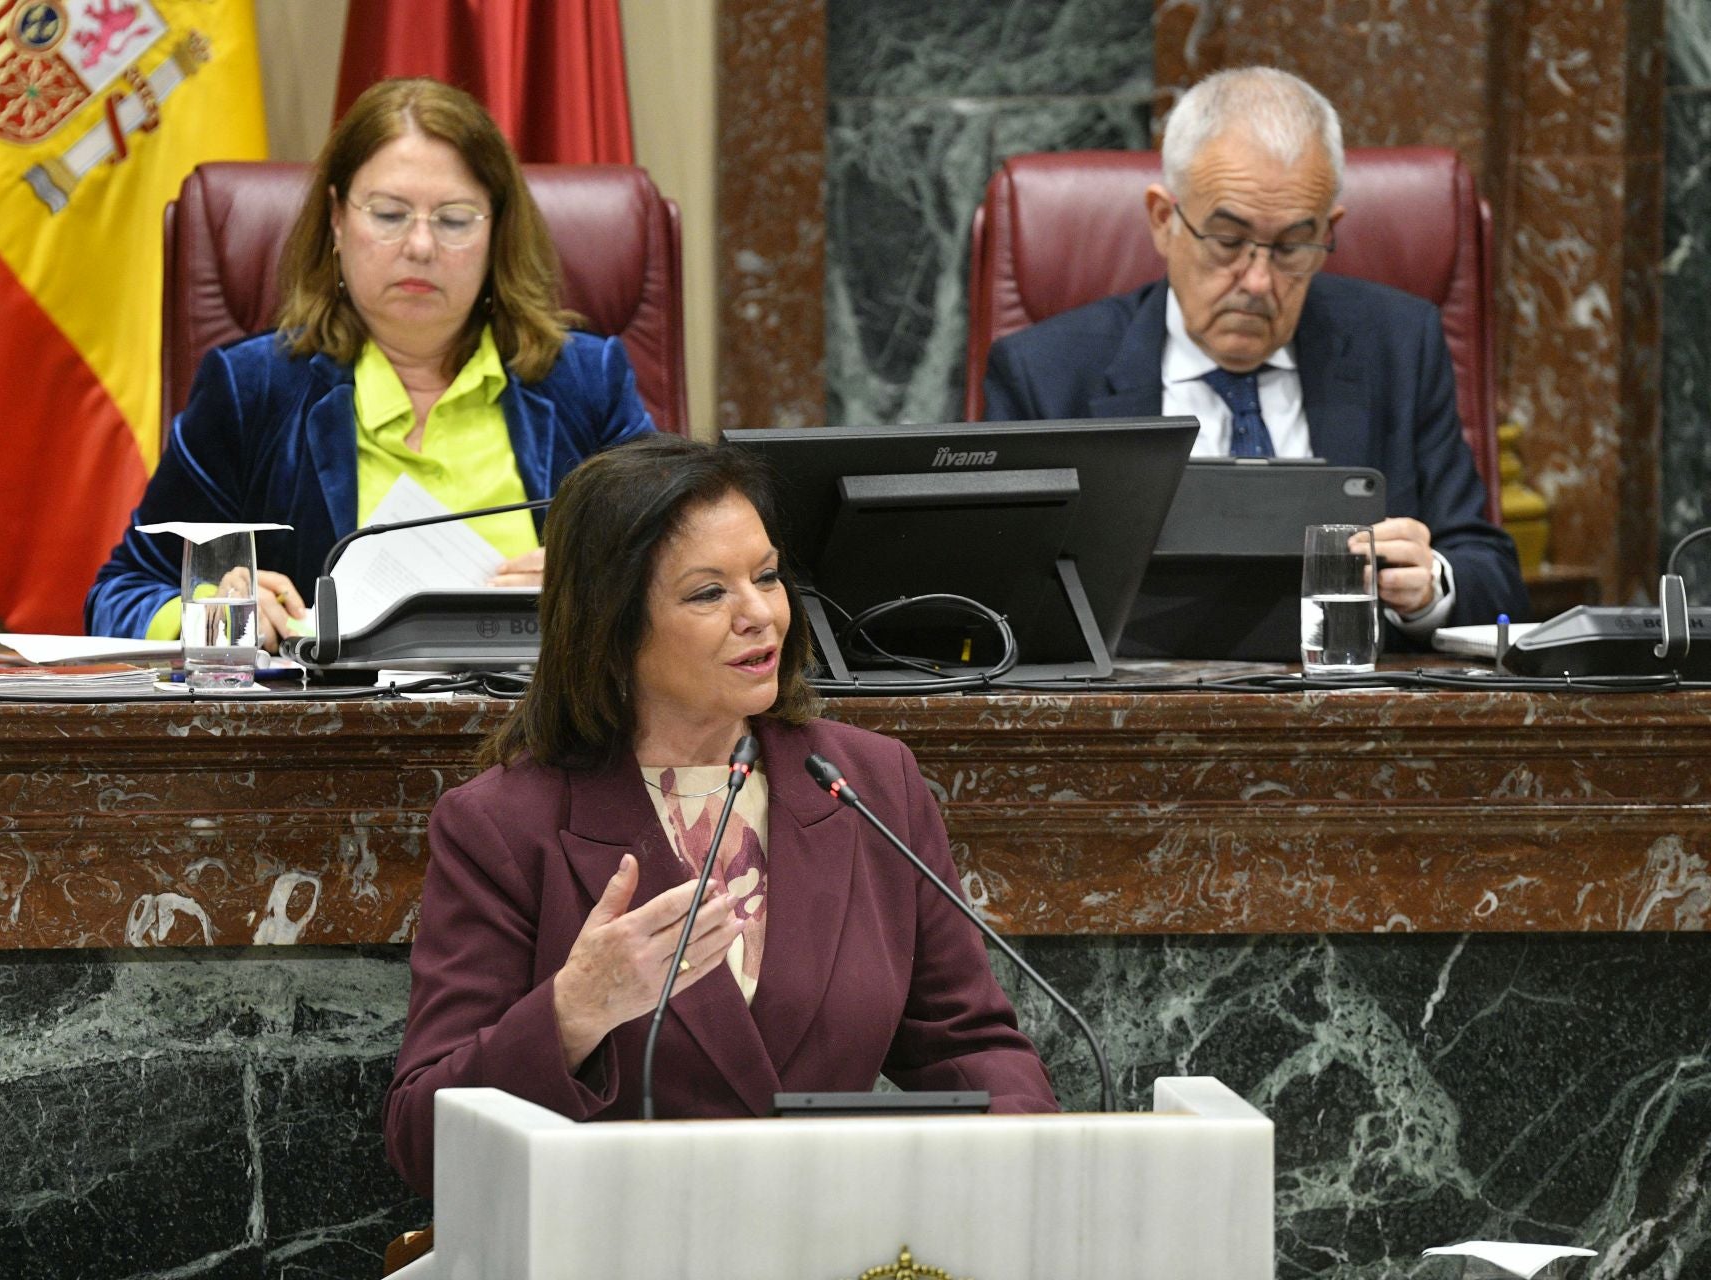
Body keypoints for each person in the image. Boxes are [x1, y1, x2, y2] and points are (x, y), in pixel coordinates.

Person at [383, 434, 1057, 1197]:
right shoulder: (503, 825)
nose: (760, 615)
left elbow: (966, 1043)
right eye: (709, 593)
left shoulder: (868, 783)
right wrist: (573, 1012)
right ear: (612, 623)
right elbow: (422, 1140)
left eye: (766, 577)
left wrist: (1024, 1165)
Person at [87, 78, 654, 645]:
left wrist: (597, 586)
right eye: (388, 215)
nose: (421, 246)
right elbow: (122, 593)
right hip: (331, 730)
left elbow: (685, 576)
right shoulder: (252, 390)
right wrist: (221, 619)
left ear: (497, 232)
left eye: (454, 220)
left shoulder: (585, 382)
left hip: (548, 726)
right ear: (337, 219)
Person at [982, 67, 1528, 642]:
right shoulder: (1045, 372)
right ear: (1164, 221)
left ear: (1329, 232)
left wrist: (1430, 587)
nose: (1259, 281)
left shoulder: (1398, 345)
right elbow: (989, 589)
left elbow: (1491, 573)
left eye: (1293, 246)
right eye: (1228, 241)